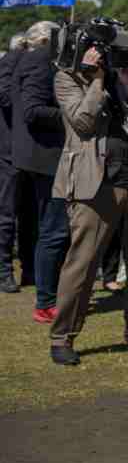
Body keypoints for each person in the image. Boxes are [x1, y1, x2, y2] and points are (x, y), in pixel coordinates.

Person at [49, 41, 128, 366]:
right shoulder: (68, 78)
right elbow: (84, 122)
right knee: (83, 262)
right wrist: (96, 79)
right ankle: (62, 337)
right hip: (93, 182)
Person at [13, 22, 70, 324]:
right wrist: (72, 114)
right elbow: (32, 111)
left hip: (44, 157)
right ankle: (46, 302)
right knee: (54, 231)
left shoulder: (31, 60)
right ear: (48, 39)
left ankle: (50, 296)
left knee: (54, 230)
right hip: (46, 159)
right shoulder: (37, 61)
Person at [0, 34, 29, 292]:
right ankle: (4, 269)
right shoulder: (11, 62)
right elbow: (7, 99)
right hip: (9, 150)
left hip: (28, 150)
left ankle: (29, 267)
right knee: (7, 213)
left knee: (29, 212)